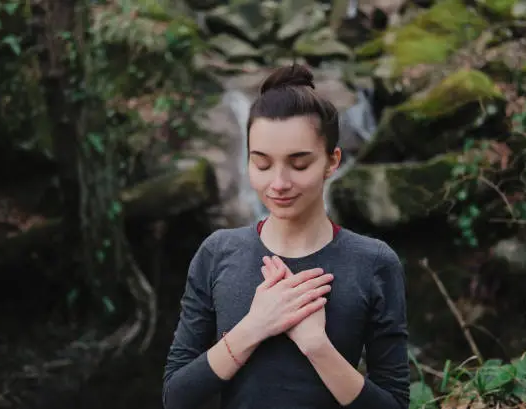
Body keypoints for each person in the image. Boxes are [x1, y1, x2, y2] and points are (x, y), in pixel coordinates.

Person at [162, 64, 409, 409]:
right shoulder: (218, 252)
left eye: (299, 164)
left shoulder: (373, 262)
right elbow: (176, 396)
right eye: (262, 164)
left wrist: (316, 347)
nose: (278, 184)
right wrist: (254, 327)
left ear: (332, 161)